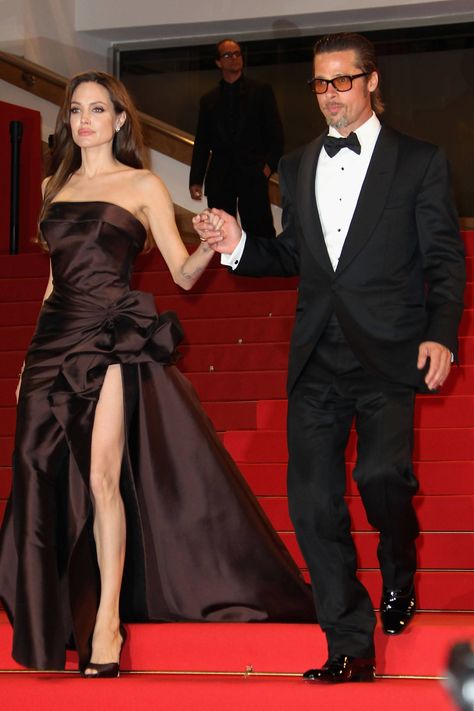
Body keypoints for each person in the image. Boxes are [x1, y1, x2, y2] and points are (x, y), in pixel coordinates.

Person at [0, 71, 315, 677]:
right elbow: (51, 285)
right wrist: (24, 361)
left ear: (120, 120)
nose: (85, 119)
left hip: (113, 339)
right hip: (50, 346)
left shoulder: (142, 183)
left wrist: (211, 243)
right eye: (76, 109)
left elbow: (183, 275)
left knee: (101, 478)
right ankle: (49, 621)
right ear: (67, 120)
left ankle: (108, 626)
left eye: (99, 109)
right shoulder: (52, 184)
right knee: (36, 475)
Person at [194, 32, 466, 683]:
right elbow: (296, 257)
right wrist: (238, 244)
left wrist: (441, 333)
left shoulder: (419, 161)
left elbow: (444, 259)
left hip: (388, 352)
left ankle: (399, 564)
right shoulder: (296, 164)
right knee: (311, 503)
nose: (330, 95)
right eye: (321, 83)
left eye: (342, 81)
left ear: (372, 82)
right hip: (317, 354)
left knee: (382, 476)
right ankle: (350, 641)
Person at [189, 38, 284, 238]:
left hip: (253, 172)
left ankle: (264, 268)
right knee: (220, 229)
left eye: (237, 54)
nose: (234, 58)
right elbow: (202, 142)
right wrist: (196, 179)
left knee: (260, 228)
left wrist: (268, 166)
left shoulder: (261, 91)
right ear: (218, 63)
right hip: (220, 175)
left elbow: (275, 133)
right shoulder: (209, 100)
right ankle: (226, 269)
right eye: (228, 55)